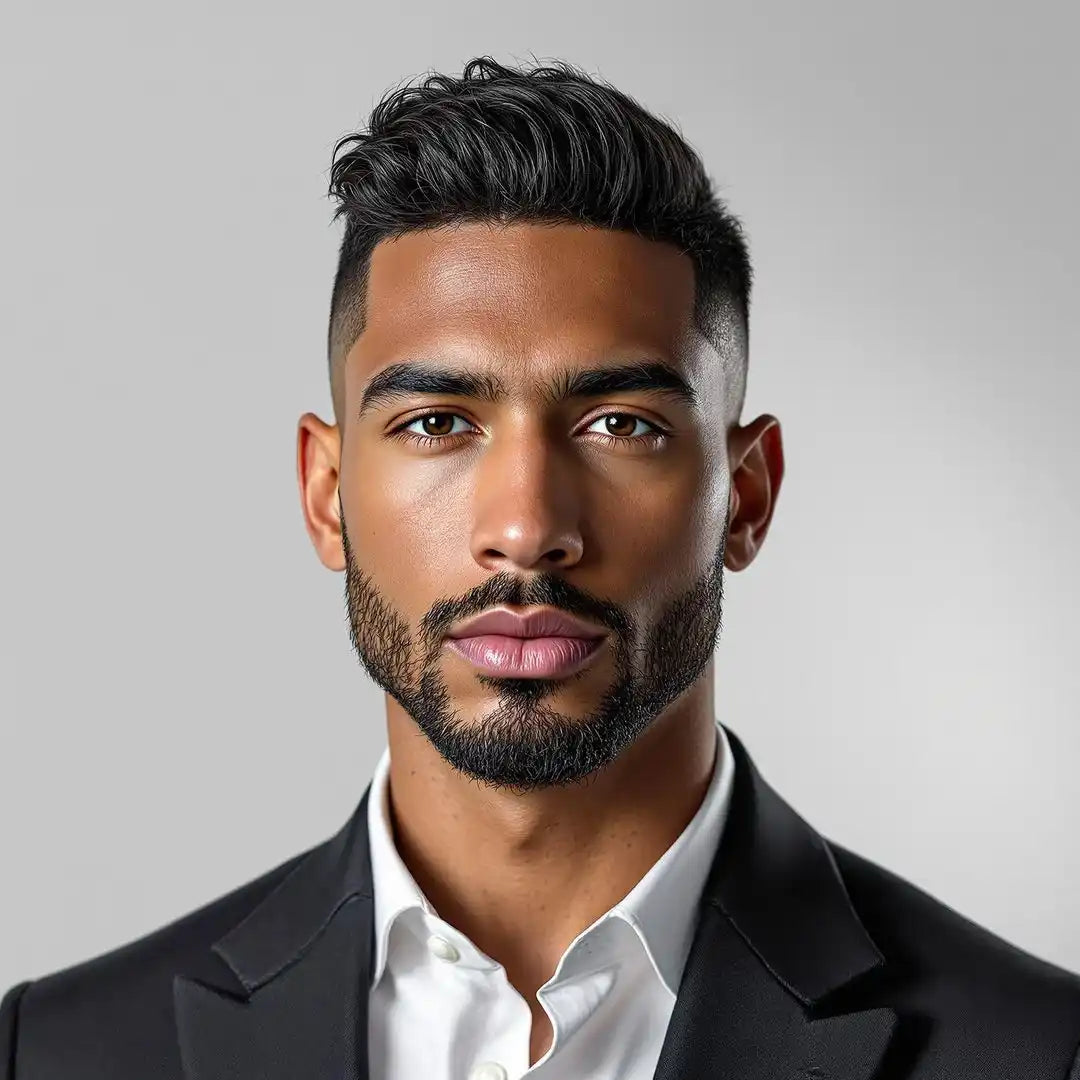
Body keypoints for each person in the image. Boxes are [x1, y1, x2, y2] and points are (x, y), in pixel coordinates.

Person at [2, 55, 1078, 1080]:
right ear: (328, 495)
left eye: (620, 424)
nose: (524, 528)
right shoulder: (61, 1053)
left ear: (744, 496)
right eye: (436, 422)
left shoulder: (1034, 1053)